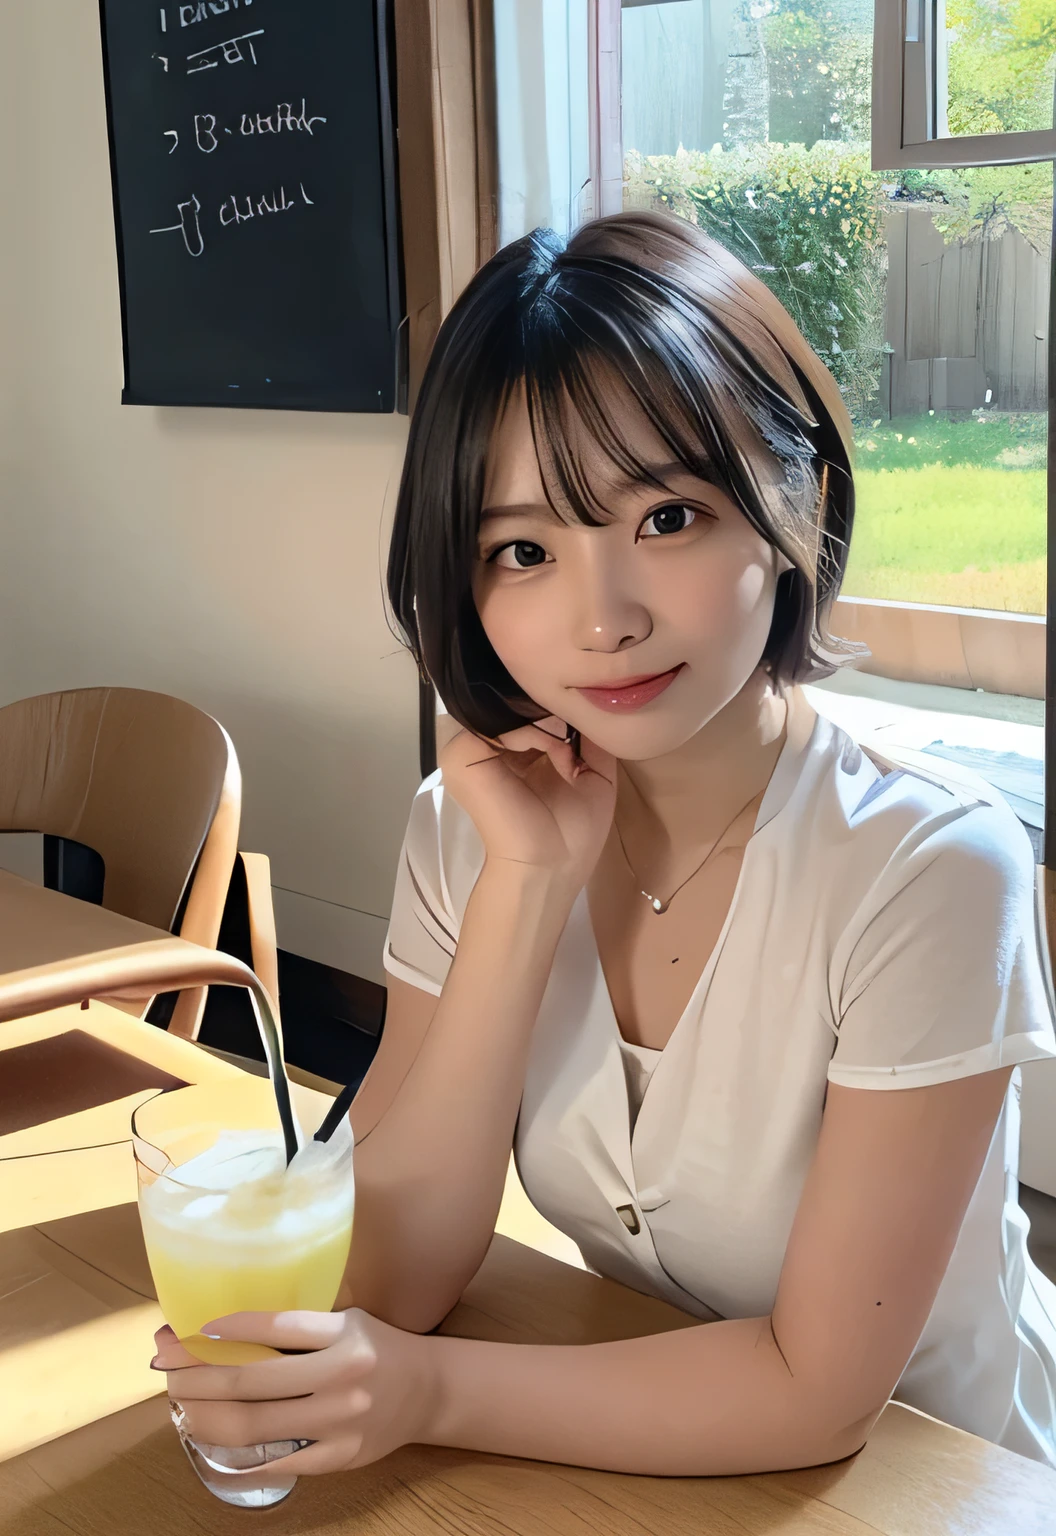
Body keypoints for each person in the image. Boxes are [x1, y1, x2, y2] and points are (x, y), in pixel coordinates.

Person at [151, 210, 1056, 1479]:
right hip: (628, 1440)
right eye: (522, 550)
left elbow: (817, 1395)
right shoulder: (471, 830)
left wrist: (422, 1394)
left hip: (939, 1481)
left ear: (791, 497)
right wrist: (527, 888)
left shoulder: (926, 868)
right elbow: (402, 1269)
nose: (603, 622)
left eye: (668, 519)